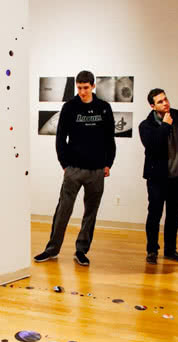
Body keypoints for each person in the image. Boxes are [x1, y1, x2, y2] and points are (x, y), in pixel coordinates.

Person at [34, 70, 116, 266]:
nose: (82, 91)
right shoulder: (69, 107)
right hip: (74, 169)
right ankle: (52, 249)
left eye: (86, 88)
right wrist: (64, 164)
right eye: (79, 88)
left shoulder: (103, 107)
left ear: (93, 86)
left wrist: (108, 163)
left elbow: (109, 139)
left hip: (97, 169)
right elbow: (60, 138)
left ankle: (81, 251)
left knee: (91, 212)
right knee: (63, 210)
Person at [139, 89, 178, 264]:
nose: (165, 103)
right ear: (152, 106)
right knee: (154, 214)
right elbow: (153, 146)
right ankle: (152, 250)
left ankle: (170, 250)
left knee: (173, 216)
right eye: (160, 101)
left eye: (166, 99)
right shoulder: (145, 126)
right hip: (157, 178)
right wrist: (165, 126)